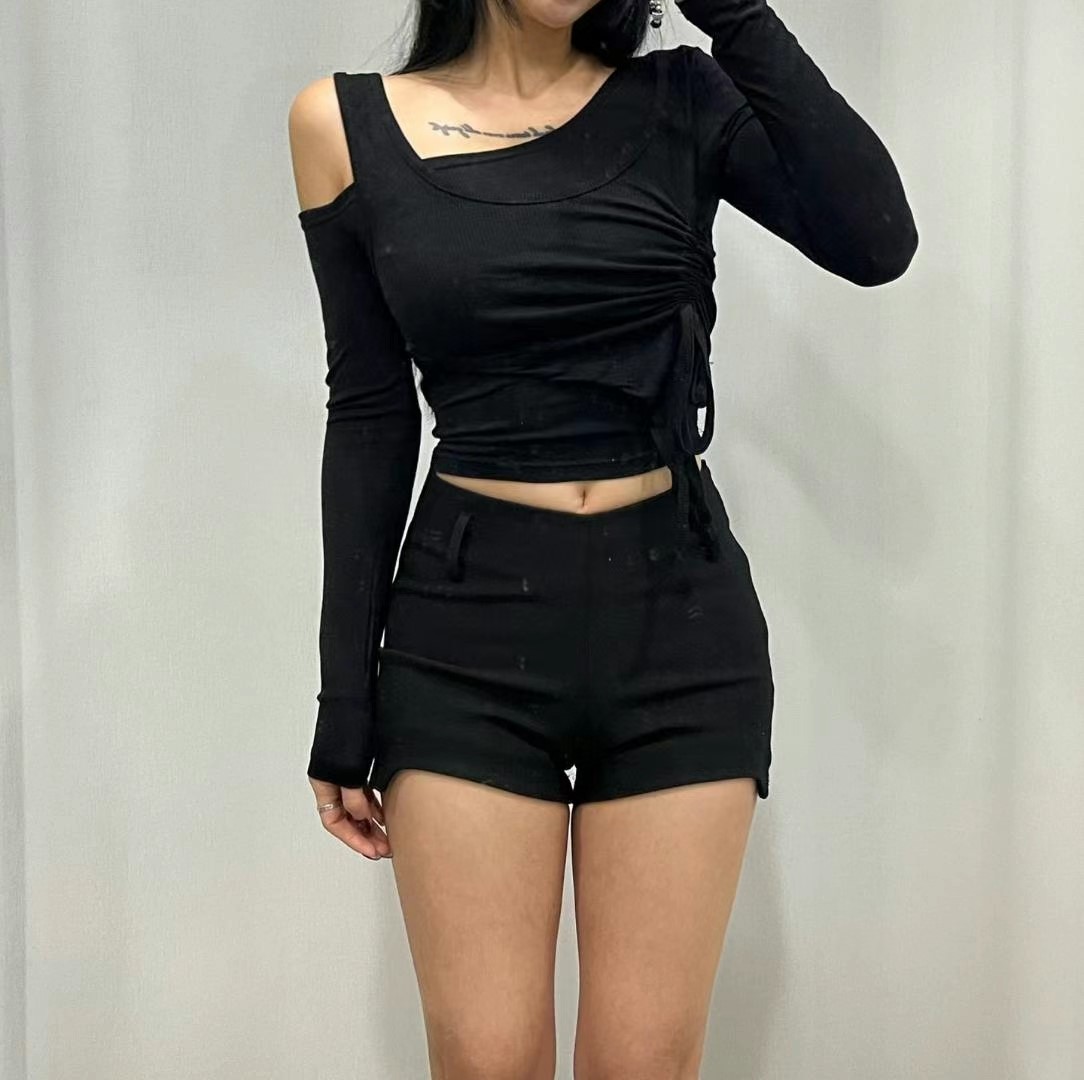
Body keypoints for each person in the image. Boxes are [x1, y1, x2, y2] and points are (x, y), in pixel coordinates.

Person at [288, 0, 917, 1075]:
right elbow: (370, 413)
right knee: (486, 1061)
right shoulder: (342, 124)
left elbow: (876, 242)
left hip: (679, 630)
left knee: (643, 1065)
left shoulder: (684, 99)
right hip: (464, 639)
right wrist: (343, 699)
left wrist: (734, 14)